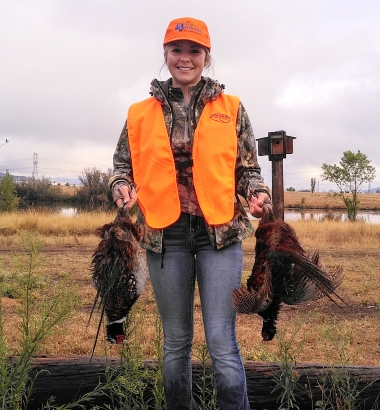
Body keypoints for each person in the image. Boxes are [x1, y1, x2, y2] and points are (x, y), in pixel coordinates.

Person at [109, 16, 271, 410]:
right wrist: (121, 187)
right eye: (176, 49)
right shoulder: (138, 112)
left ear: (206, 56)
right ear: (165, 54)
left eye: (194, 51)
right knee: (176, 342)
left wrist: (257, 194)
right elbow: (121, 166)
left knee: (221, 341)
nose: (185, 58)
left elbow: (247, 170)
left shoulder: (232, 107)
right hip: (165, 235)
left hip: (221, 232)